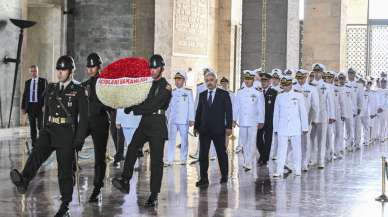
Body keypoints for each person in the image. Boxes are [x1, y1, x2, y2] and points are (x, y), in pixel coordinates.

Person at [10, 55, 88, 217]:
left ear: (71, 71)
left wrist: (79, 139)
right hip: (50, 129)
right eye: (58, 69)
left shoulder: (79, 90)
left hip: (67, 133)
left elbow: (84, 118)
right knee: (36, 153)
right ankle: (24, 180)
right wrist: (44, 129)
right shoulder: (51, 88)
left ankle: (65, 205)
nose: (59, 73)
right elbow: (46, 112)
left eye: (63, 70)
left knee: (65, 171)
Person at [112, 54, 172, 207]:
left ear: (162, 69)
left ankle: (154, 195)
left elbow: (152, 105)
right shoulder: (147, 85)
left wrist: (134, 109)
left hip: (157, 124)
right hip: (145, 123)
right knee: (132, 147)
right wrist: (130, 105)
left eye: (155, 68)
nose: (152, 71)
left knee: (156, 162)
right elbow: (141, 99)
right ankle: (125, 180)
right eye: (150, 68)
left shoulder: (166, 87)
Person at [81, 52, 112, 202]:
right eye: (89, 66)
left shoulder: (106, 83)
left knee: (99, 156)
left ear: (99, 67)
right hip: (87, 122)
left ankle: (97, 187)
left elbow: (111, 104)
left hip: (100, 123)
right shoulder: (85, 84)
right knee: (73, 142)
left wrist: (95, 106)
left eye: (93, 66)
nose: (90, 69)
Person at [194, 70, 233, 188]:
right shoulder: (202, 95)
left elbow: (229, 112)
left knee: (221, 153)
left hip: (219, 130)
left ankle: (225, 175)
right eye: (207, 81)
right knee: (202, 155)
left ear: (216, 81)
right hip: (204, 130)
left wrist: (229, 127)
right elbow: (199, 111)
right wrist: (196, 126)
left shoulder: (224, 94)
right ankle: (204, 178)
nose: (209, 83)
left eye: (211, 80)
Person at [273, 76, 308, 177]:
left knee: (297, 149)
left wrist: (304, 127)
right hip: (282, 126)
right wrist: (275, 128)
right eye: (283, 85)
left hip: (295, 126)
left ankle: (297, 169)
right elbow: (276, 114)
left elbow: (303, 112)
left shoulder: (299, 95)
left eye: (287, 85)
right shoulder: (279, 96)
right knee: (281, 150)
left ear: (291, 85)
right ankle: (279, 171)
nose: (285, 87)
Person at [233, 70, 265, 171]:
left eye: (249, 79)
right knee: (244, 141)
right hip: (243, 120)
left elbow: (261, 108)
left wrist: (261, 120)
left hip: (253, 121)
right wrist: (234, 119)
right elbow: (236, 107)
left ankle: (249, 162)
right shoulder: (240, 92)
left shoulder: (257, 92)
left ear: (253, 80)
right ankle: (247, 159)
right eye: (246, 79)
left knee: (252, 141)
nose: (247, 81)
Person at [165, 70, 194, 166]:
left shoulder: (188, 92)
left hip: (183, 120)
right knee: (171, 139)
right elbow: (169, 106)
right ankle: (169, 159)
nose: (177, 81)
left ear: (184, 80)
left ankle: (183, 159)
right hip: (173, 119)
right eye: (176, 79)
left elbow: (191, 106)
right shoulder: (172, 92)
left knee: (184, 139)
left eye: (179, 79)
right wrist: (167, 117)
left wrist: (191, 119)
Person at [293, 69, 319, 171]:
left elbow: (315, 106)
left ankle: (304, 162)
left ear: (306, 77)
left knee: (305, 142)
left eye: (302, 78)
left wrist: (314, 119)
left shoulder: (312, 89)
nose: (300, 80)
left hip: (307, 118)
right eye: (298, 78)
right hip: (294, 119)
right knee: (294, 142)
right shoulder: (293, 87)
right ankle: (294, 162)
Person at [21, 65, 48, 147]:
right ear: (30, 72)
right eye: (32, 71)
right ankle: (34, 143)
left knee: (40, 126)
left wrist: (45, 105)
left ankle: (41, 142)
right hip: (30, 107)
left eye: (35, 71)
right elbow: (25, 95)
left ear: (37, 71)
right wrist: (23, 107)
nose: (33, 73)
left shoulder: (43, 81)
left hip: (40, 107)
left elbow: (47, 94)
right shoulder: (28, 82)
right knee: (32, 127)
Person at [257, 70, 278, 166]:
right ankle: (262, 155)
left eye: (265, 81)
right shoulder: (257, 92)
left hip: (270, 119)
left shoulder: (274, 92)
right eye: (262, 81)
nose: (263, 82)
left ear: (269, 82)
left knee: (268, 140)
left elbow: (276, 107)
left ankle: (264, 159)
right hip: (259, 120)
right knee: (258, 139)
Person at [346, 68, 364, 151]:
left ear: (354, 74)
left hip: (357, 109)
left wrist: (360, 108)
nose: (351, 75)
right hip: (348, 109)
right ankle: (349, 143)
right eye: (349, 73)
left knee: (357, 127)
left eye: (352, 73)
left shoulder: (359, 85)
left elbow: (361, 98)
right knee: (349, 127)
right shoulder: (345, 84)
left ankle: (357, 143)